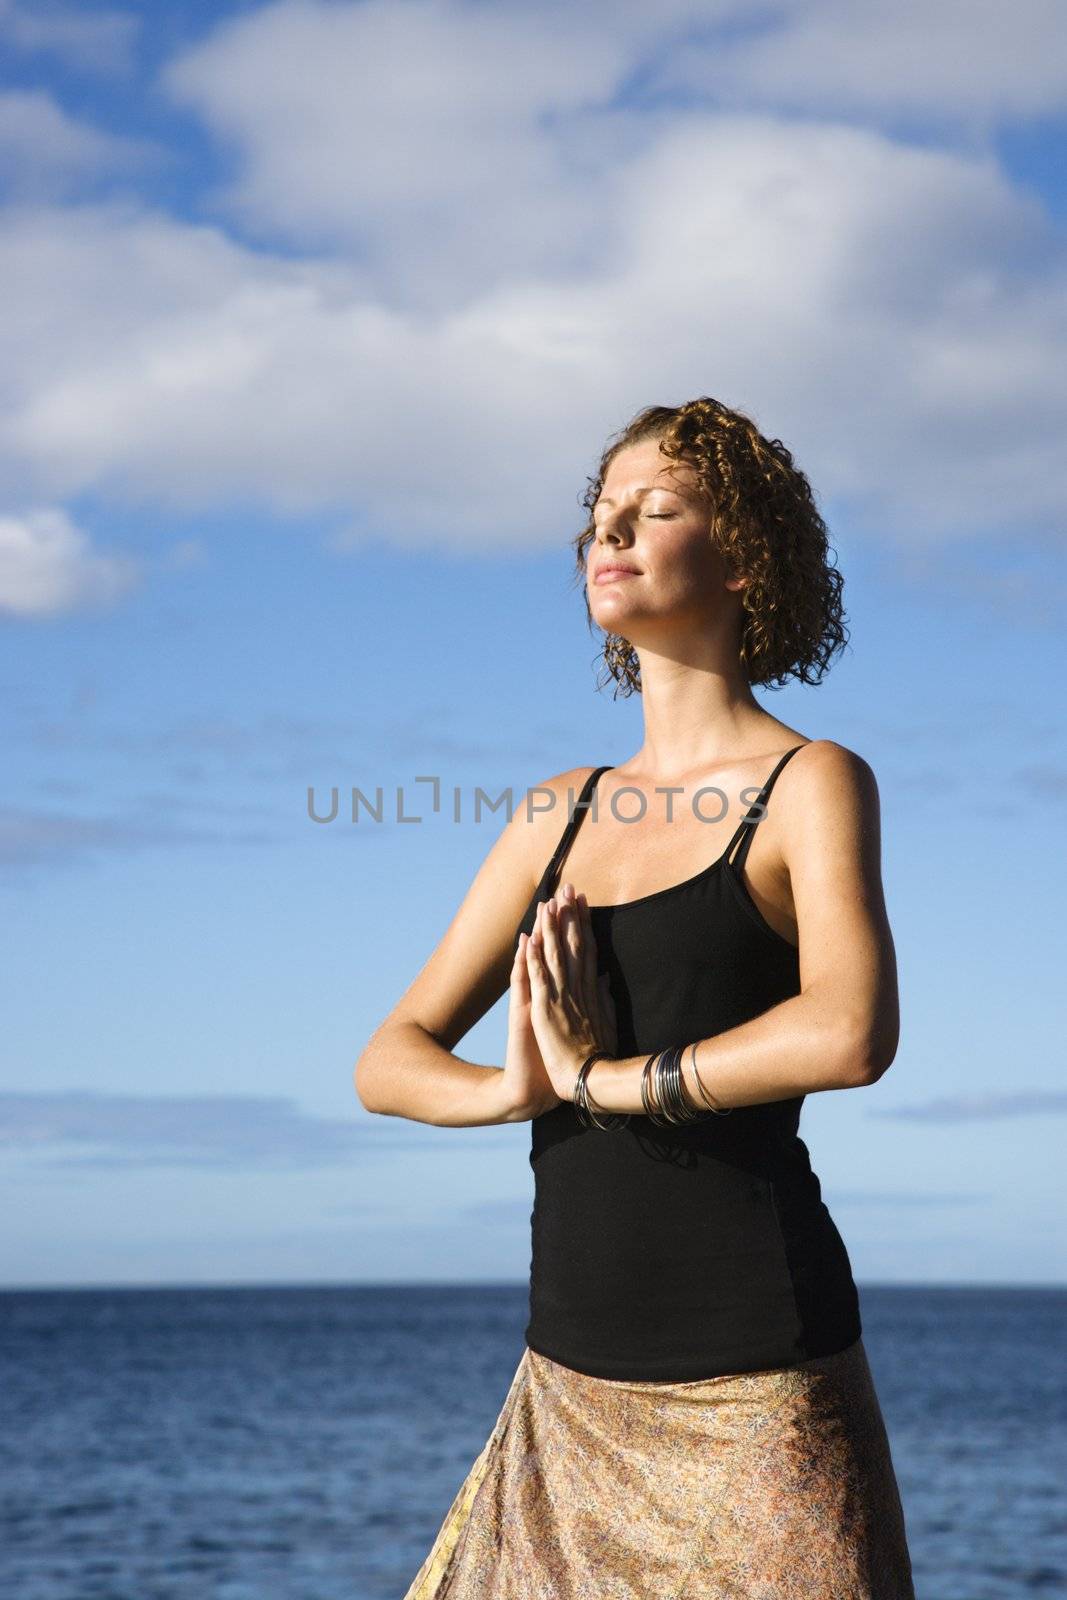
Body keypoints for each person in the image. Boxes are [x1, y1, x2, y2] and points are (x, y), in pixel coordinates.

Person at [356, 396, 916, 1598]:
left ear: (743, 552)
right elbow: (388, 1056)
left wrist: (610, 1082)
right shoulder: (551, 813)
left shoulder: (808, 782)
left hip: (758, 1391)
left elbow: (849, 1027)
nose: (610, 534)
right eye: (599, 516)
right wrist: (515, 1087)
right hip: (563, 1388)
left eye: (654, 509)